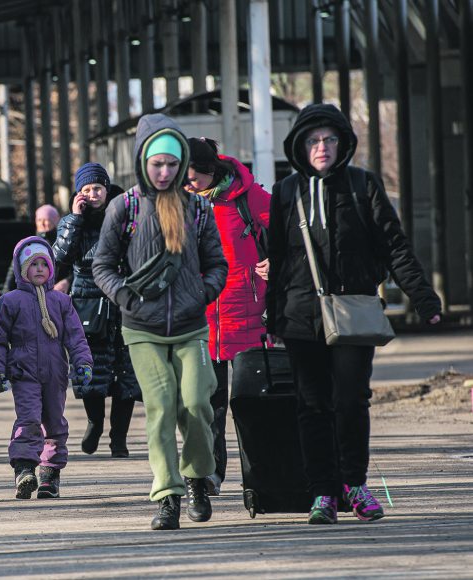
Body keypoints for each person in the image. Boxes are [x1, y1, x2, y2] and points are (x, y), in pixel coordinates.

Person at [266, 103, 442, 525]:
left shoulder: (363, 185)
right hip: (300, 314)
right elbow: (276, 257)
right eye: (313, 140)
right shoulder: (287, 192)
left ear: (342, 143)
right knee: (311, 405)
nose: (321, 147)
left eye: (328, 139)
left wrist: (424, 298)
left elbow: (393, 245)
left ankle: (355, 484)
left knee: (350, 400)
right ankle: (323, 493)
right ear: (299, 147)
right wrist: (272, 318)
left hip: (354, 311)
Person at [92, 114, 228, 530]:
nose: (166, 171)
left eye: (173, 164)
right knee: (162, 406)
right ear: (142, 163)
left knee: (197, 403)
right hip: (143, 329)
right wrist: (125, 296)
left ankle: (197, 478)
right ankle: (167, 495)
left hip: (190, 326)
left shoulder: (199, 209)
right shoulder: (125, 207)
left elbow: (216, 264)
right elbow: (102, 265)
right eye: (157, 164)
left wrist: (201, 294)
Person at [184, 137, 271, 496]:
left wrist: (277, 261)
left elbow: (291, 234)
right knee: (208, 405)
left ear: (209, 171)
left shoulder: (247, 197)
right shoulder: (180, 203)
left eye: (193, 178)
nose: (187, 185)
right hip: (202, 318)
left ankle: (262, 479)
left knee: (252, 406)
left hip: (248, 314)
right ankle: (211, 474)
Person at [0, 236, 93, 500]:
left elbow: (75, 336)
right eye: (33, 265)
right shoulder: (10, 301)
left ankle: (49, 474)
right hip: (23, 372)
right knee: (29, 418)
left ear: (52, 269)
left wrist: (83, 363)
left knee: (54, 422)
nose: (39, 270)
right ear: (22, 269)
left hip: (55, 372)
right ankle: (24, 468)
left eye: (44, 265)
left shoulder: (61, 301)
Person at [53, 162, 140, 459]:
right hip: (88, 303)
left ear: (107, 188)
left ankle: (119, 437)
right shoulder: (70, 221)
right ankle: (95, 422)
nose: (93, 194)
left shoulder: (124, 213)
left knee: (125, 374)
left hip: (122, 299)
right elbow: (60, 257)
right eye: (87, 190)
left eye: (97, 188)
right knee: (89, 371)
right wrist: (76, 219)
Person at [4, 204, 68, 293]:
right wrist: (5, 294)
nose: (42, 223)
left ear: (55, 221)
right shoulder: (27, 244)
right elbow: (13, 271)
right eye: (39, 220)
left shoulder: (64, 243)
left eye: (46, 220)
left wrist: (67, 281)